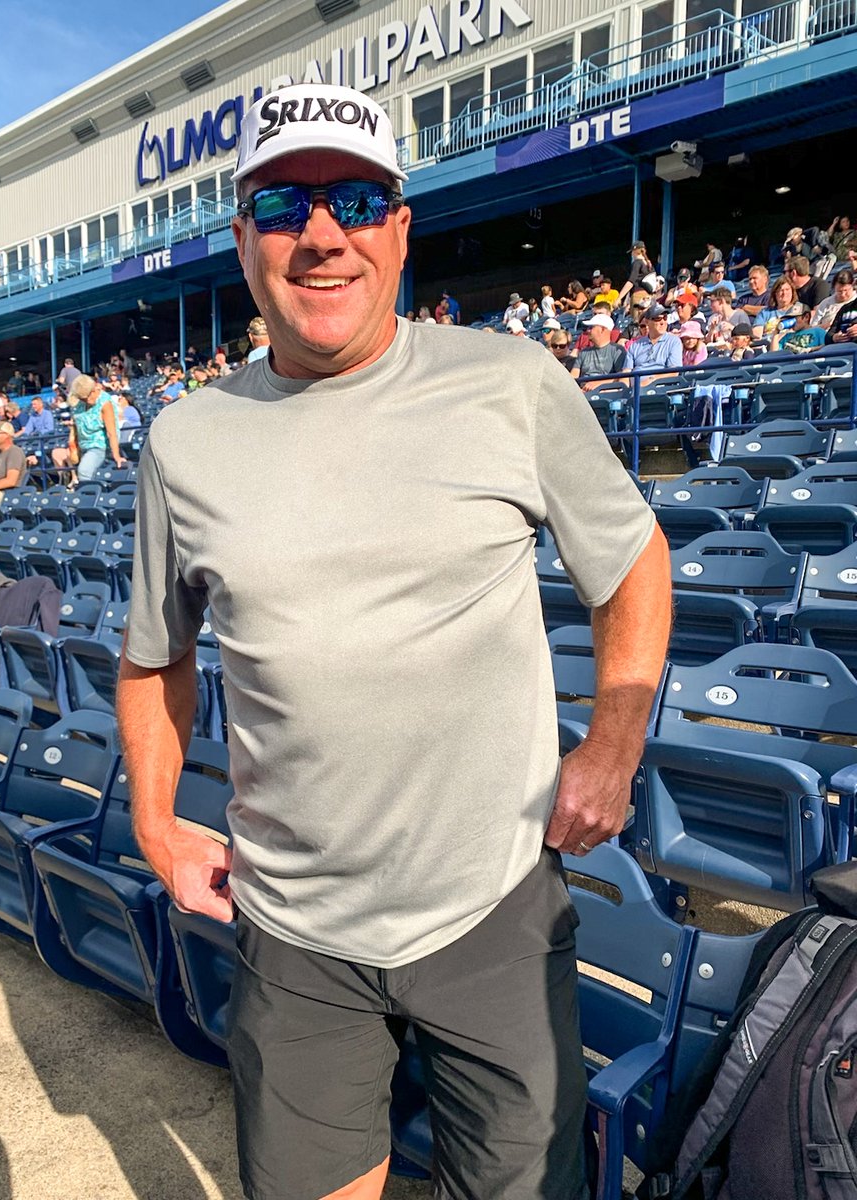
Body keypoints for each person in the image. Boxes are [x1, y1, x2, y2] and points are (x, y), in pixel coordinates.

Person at [118, 81, 670, 1200]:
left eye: (356, 201)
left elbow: (631, 562)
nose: (321, 236)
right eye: (284, 207)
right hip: (293, 930)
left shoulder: (508, 383)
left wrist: (611, 748)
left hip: (493, 909)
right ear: (243, 240)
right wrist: (154, 824)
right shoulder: (184, 439)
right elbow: (152, 654)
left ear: (401, 229)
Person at [66, 375, 126, 480]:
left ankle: (87, 495)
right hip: (83, 447)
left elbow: (111, 432)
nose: (85, 401)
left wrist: (116, 456)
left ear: (93, 390)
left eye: (85, 398)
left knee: (84, 472)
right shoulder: (80, 403)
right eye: (82, 399)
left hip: (99, 447)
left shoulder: (105, 403)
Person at [624, 304, 684, 375]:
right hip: (635, 383)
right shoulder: (635, 345)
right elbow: (626, 372)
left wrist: (649, 381)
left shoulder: (674, 342)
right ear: (647, 322)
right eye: (657, 318)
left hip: (659, 384)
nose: (662, 322)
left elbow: (673, 373)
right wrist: (625, 384)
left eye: (665, 318)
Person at [571, 314, 626, 385]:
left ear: (602, 329)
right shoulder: (583, 352)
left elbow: (621, 378)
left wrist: (597, 384)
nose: (588, 330)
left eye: (591, 327)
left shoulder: (617, 351)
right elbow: (574, 376)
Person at [617, 240, 653, 307]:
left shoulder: (637, 263)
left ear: (635, 251)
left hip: (638, 295)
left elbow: (631, 282)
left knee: (637, 317)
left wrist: (619, 298)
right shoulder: (649, 265)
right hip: (649, 296)